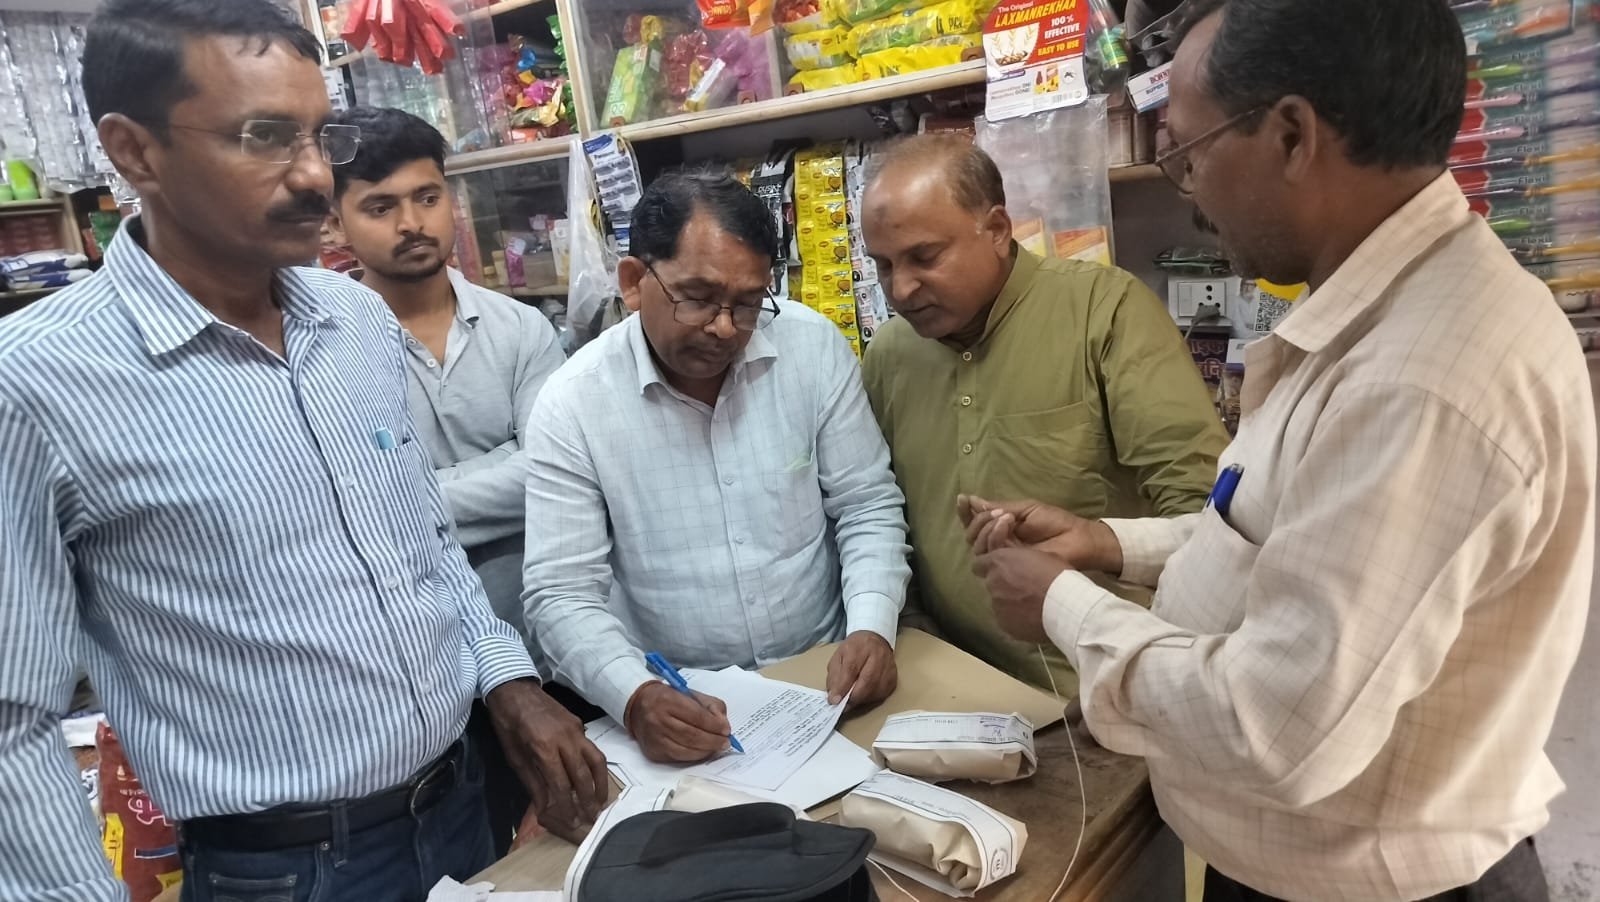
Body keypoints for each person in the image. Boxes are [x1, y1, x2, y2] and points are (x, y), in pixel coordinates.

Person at [966, 1, 1595, 899]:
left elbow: (1275, 726)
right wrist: (1105, 545)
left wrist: (1063, 605)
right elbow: (1284, 531)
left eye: (1189, 153)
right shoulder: (1374, 312)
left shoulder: (1422, 378)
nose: (1189, 188)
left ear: (1293, 137)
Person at [0, 3, 606, 900]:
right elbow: (13, 725)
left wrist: (507, 683)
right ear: (135, 152)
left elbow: (424, 542)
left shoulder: (354, 320)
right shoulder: (35, 382)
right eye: (264, 137)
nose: (316, 175)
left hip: (460, 807)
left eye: (320, 135)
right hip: (288, 869)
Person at [523, 169, 912, 764]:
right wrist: (635, 696)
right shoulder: (573, 401)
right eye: (698, 298)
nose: (726, 327)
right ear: (634, 282)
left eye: (749, 302)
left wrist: (872, 625)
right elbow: (561, 593)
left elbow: (866, 504)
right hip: (683, 698)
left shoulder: (811, 348)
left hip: (824, 679)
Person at [859, 135, 1228, 692]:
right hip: (948, 680)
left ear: (997, 229)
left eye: (924, 257)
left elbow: (1202, 511)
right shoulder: (890, 354)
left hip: (1097, 687)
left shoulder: (1104, 312)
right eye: (883, 266)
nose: (902, 289)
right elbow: (881, 513)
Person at [327, 105, 568, 856]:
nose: (412, 223)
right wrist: (502, 464)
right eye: (380, 207)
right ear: (336, 222)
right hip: (421, 676)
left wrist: (409, 494)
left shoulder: (520, 328)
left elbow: (554, 474)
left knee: (565, 848)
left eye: (427, 197)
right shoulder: (325, 355)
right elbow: (342, 510)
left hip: (544, 645)